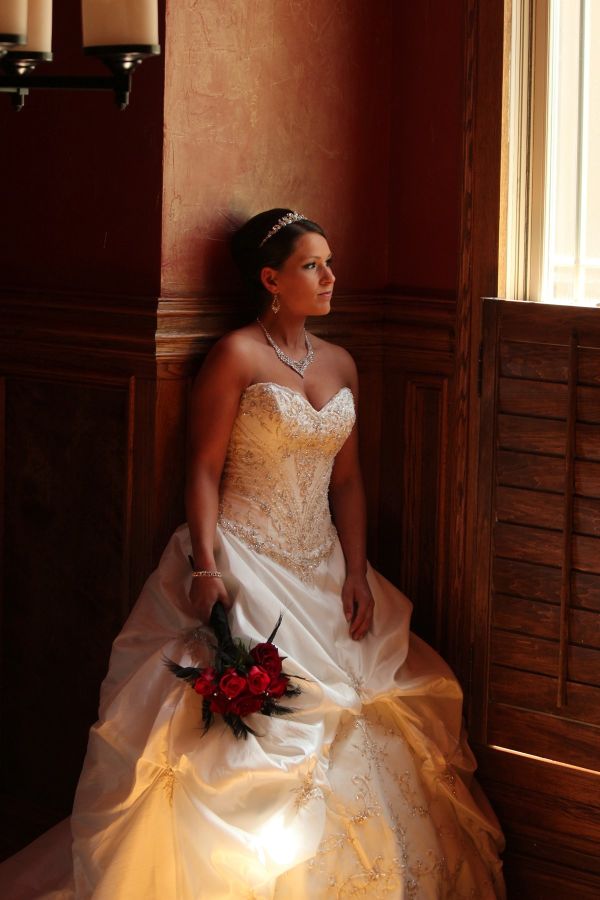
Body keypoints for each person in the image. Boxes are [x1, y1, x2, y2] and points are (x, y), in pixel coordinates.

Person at [1, 208, 505, 899]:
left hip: (323, 564)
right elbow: (203, 471)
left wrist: (357, 571)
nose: (330, 277)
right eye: (311, 265)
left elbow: (348, 480)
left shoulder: (341, 362)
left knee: (373, 705)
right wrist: (207, 567)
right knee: (254, 732)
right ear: (270, 279)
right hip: (244, 558)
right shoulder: (235, 356)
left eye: (329, 262)